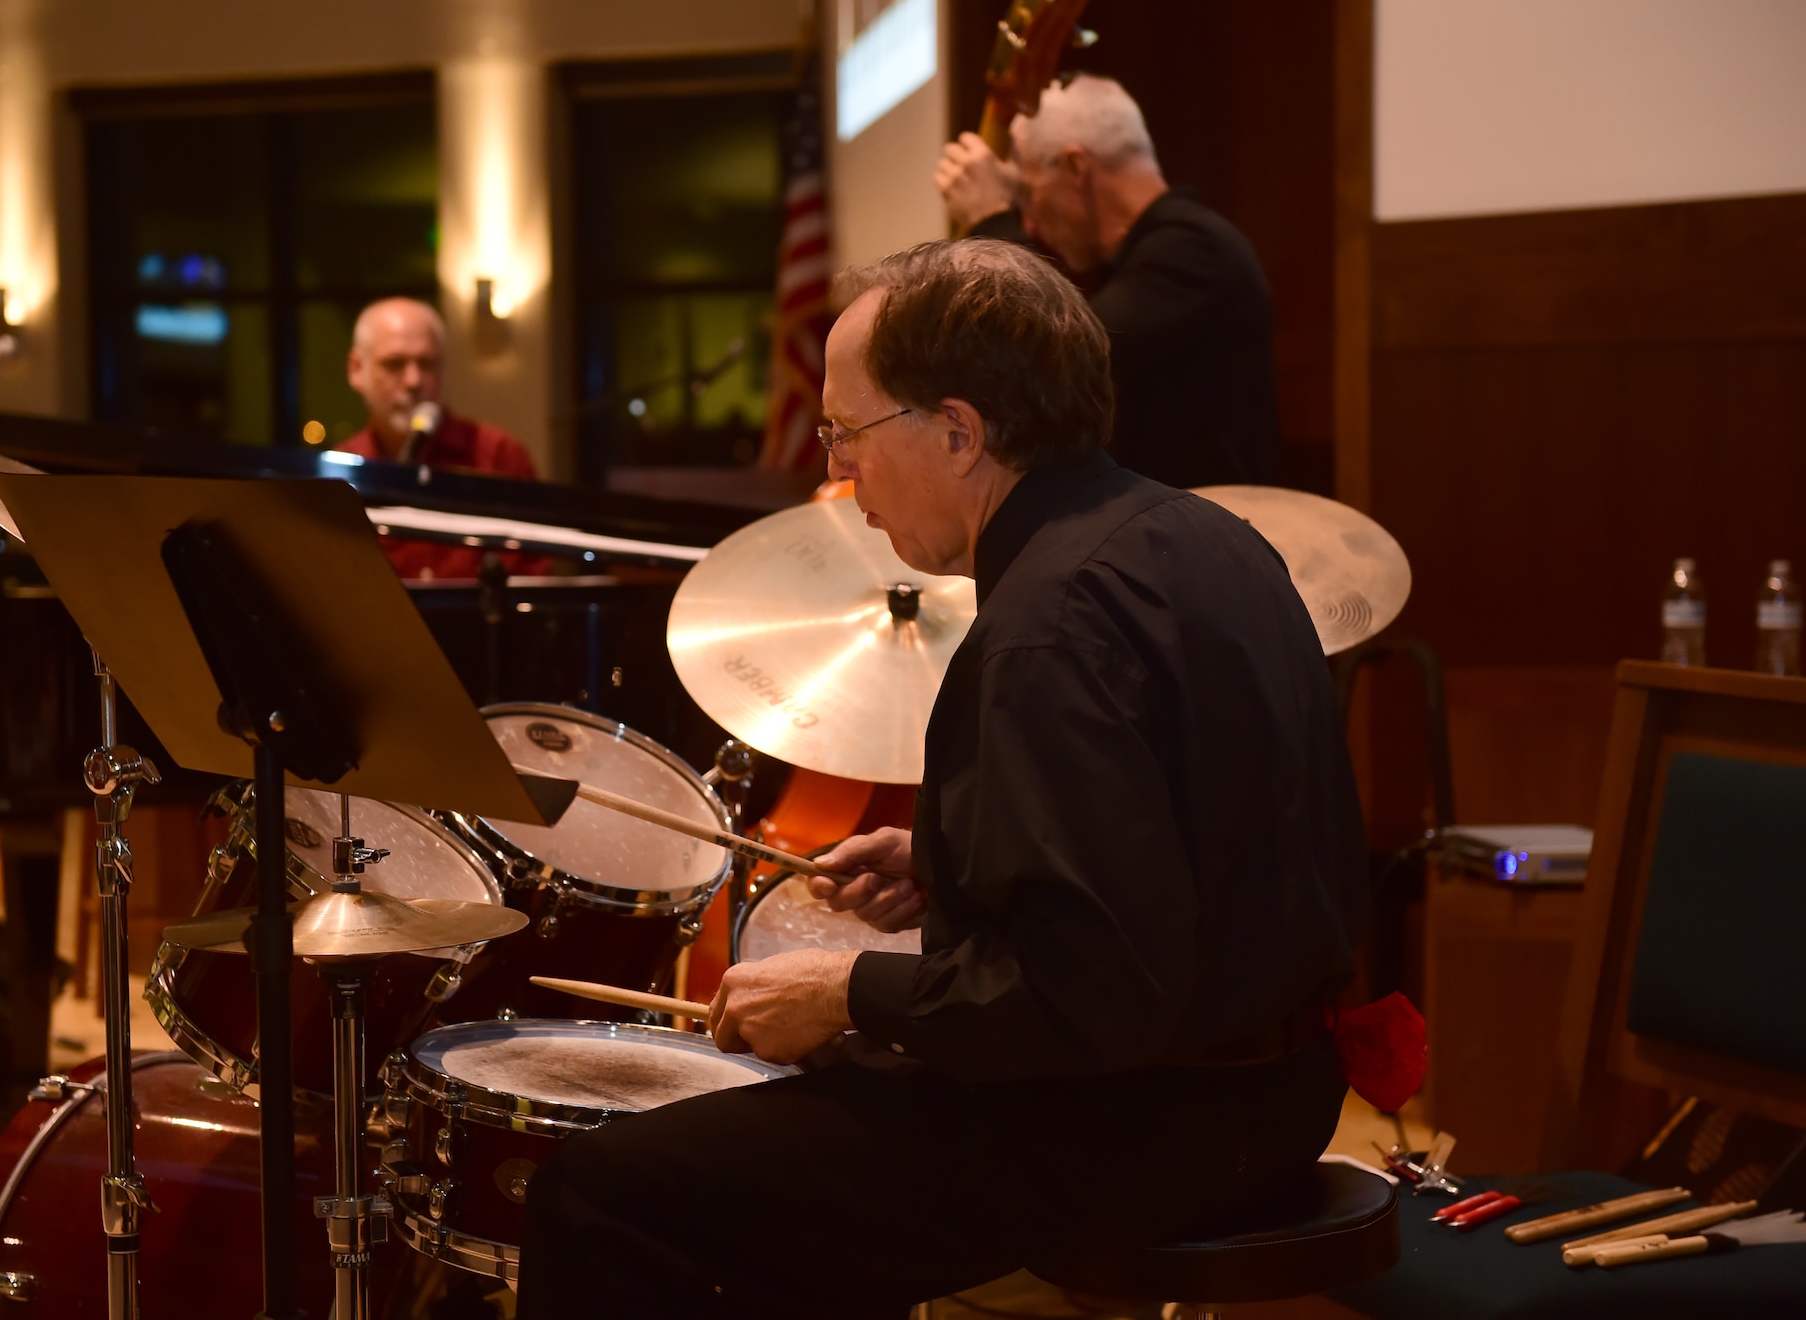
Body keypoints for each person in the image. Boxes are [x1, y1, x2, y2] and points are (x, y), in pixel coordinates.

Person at [514, 239, 1368, 1319]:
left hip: (1142, 1124)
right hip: (1278, 1091)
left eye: (847, 432)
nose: (837, 473)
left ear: (959, 432)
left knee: (601, 1193)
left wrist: (842, 989)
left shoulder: (1044, 627)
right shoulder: (1206, 536)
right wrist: (947, 853)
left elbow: (1084, 996)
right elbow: (1208, 843)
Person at [935, 75, 1280, 490]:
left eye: (1028, 194)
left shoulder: (1194, 249)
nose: (1030, 222)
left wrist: (994, 220)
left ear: (1077, 168)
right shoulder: (1159, 252)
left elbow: (1065, 358)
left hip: (1205, 532)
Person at [336, 296, 538, 580]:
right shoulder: (340, 474)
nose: (414, 381)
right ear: (356, 370)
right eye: (394, 364)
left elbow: (531, 574)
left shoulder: (498, 456)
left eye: (427, 364)